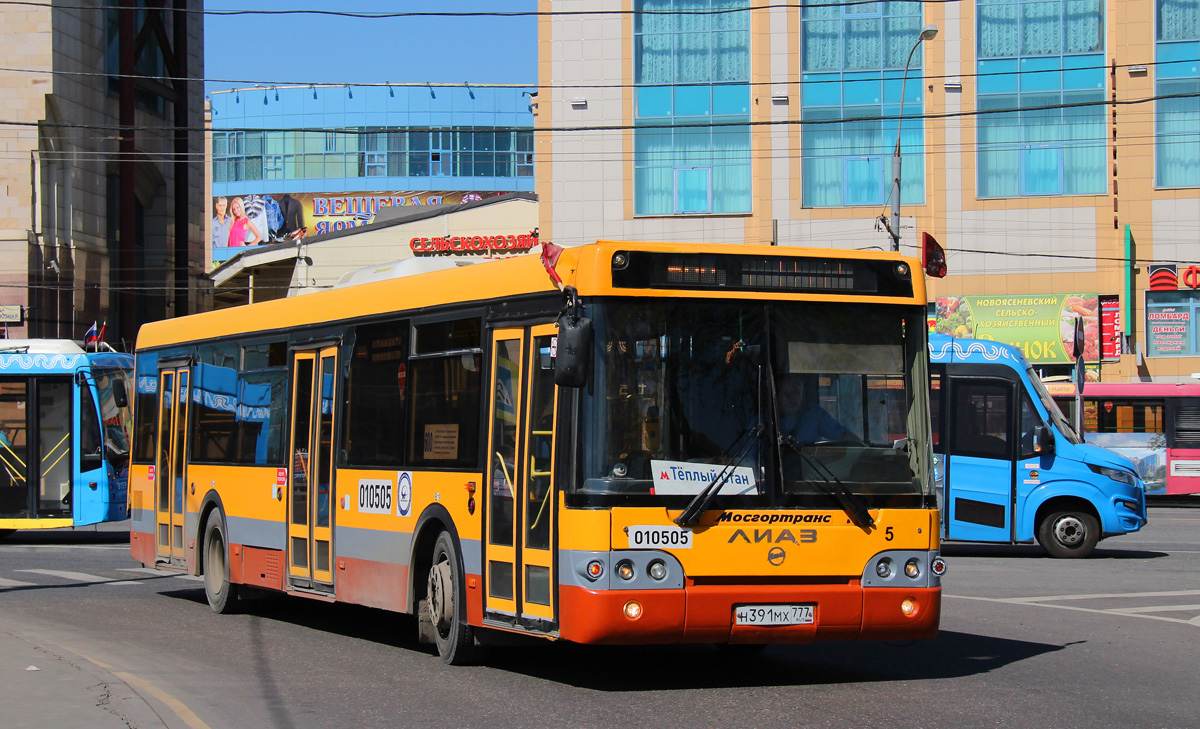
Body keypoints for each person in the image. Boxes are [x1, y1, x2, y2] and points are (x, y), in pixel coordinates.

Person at [777, 374, 854, 444]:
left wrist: (862, 452)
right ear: (777, 396)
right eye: (788, 393)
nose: (793, 398)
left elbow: (844, 436)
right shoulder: (768, 416)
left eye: (796, 392)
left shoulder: (813, 414)